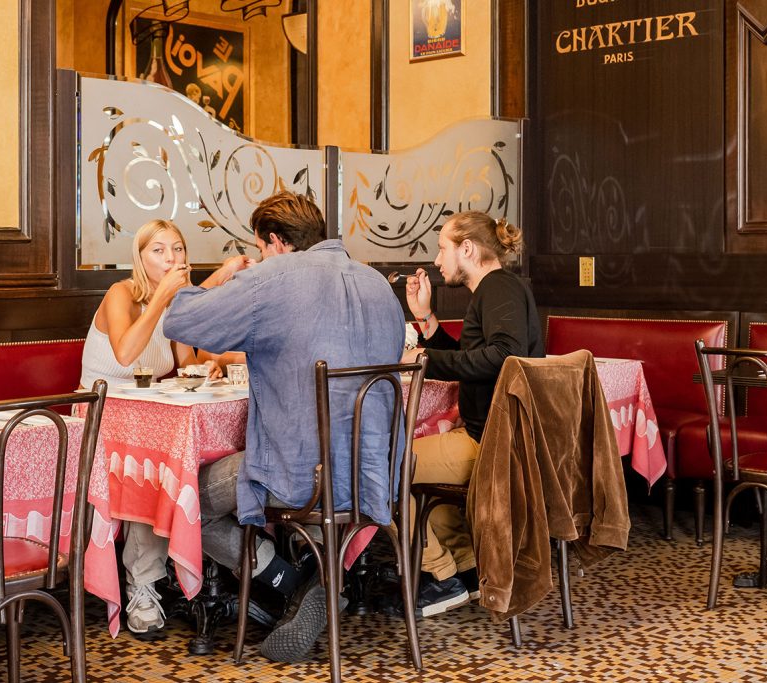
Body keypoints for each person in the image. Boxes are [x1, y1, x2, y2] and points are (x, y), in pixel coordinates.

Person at [163, 191, 405, 662]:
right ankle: (318, 582)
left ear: (275, 241)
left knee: (189, 498)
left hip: (300, 477)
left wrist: (227, 276)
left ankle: (289, 582)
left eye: (258, 246)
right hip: (373, 474)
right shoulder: (378, 284)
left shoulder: (274, 277)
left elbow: (181, 321)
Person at [78, 218, 245, 638]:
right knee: (149, 467)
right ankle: (143, 586)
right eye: (159, 250)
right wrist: (163, 300)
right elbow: (126, 351)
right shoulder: (121, 294)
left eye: (178, 249)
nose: (171, 258)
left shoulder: (174, 304)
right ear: (140, 257)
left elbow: (187, 364)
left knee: (169, 463)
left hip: (152, 422)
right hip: (101, 420)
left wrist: (226, 360)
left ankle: (195, 569)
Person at [400, 210, 544, 617]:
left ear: (468, 248)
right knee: (424, 489)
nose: (437, 259)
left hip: (492, 442)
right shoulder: (495, 291)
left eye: (443, 248)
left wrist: (424, 357)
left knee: (381, 469)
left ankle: (438, 576)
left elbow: (503, 355)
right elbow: (469, 356)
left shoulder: (499, 288)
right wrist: (426, 318)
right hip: (496, 436)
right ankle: (466, 571)